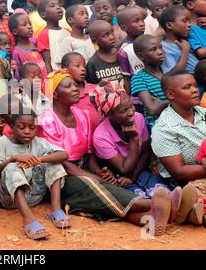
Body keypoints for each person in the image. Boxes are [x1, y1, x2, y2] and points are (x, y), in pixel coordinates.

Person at [36, 70, 180, 235]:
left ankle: (150, 219)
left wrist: (99, 171)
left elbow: (90, 154)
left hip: (84, 167)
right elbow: (59, 161)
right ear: (54, 95)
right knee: (97, 188)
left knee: (104, 193)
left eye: (75, 85)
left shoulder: (82, 115)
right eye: (68, 86)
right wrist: (93, 177)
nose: (76, 89)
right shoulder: (45, 121)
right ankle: (161, 202)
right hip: (60, 174)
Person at [0, 110, 71, 240]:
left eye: (32, 128)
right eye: (21, 127)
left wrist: (39, 160)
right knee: (12, 167)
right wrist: (13, 159)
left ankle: (56, 210)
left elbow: (64, 154)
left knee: (53, 163)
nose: (27, 131)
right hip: (9, 199)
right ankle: (28, 218)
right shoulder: (3, 142)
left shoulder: (39, 142)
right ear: (11, 127)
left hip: (34, 196)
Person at [152, 70, 206, 209]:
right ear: (170, 94)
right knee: (201, 196)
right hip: (190, 182)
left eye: (195, 86)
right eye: (187, 87)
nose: (195, 91)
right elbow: (178, 172)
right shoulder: (164, 128)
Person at [91, 82, 173, 199]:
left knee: (163, 193)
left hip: (139, 170)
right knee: (140, 200)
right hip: (117, 177)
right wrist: (133, 139)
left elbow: (145, 153)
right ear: (109, 115)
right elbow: (124, 169)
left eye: (131, 106)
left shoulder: (138, 118)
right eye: (123, 111)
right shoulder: (101, 136)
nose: (131, 112)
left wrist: (132, 178)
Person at [131, 35, 169, 129]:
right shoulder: (139, 78)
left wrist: (162, 102)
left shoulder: (169, 71)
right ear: (141, 56)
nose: (160, 52)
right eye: (153, 49)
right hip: (159, 125)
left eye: (160, 47)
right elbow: (152, 109)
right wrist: (175, 100)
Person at [61, 52, 102, 130]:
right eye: (77, 66)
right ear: (64, 70)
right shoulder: (62, 94)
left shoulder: (95, 89)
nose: (83, 69)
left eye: (84, 66)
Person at [85, 20, 128, 90]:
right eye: (106, 35)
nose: (112, 37)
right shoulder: (93, 63)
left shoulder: (122, 54)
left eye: (112, 32)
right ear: (94, 41)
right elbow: (91, 87)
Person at [36, 0, 71, 72]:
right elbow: (47, 61)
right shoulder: (43, 34)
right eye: (52, 6)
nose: (58, 7)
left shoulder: (68, 31)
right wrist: (51, 79)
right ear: (43, 14)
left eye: (59, 5)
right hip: (58, 74)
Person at [160, 5, 198, 74]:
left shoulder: (189, 39)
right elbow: (173, 74)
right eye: (185, 21)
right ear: (169, 25)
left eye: (189, 21)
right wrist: (185, 51)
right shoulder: (164, 48)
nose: (189, 24)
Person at [9, 12, 47, 80]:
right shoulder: (17, 53)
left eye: (30, 24)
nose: (29, 27)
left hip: (47, 83)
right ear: (15, 32)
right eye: (24, 25)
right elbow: (18, 77)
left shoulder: (36, 41)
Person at [117, 6, 146, 75]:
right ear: (124, 28)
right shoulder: (124, 51)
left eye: (142, 20)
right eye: (136, 21)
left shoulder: (149, 42)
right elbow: (126, 77)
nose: (142, 24)